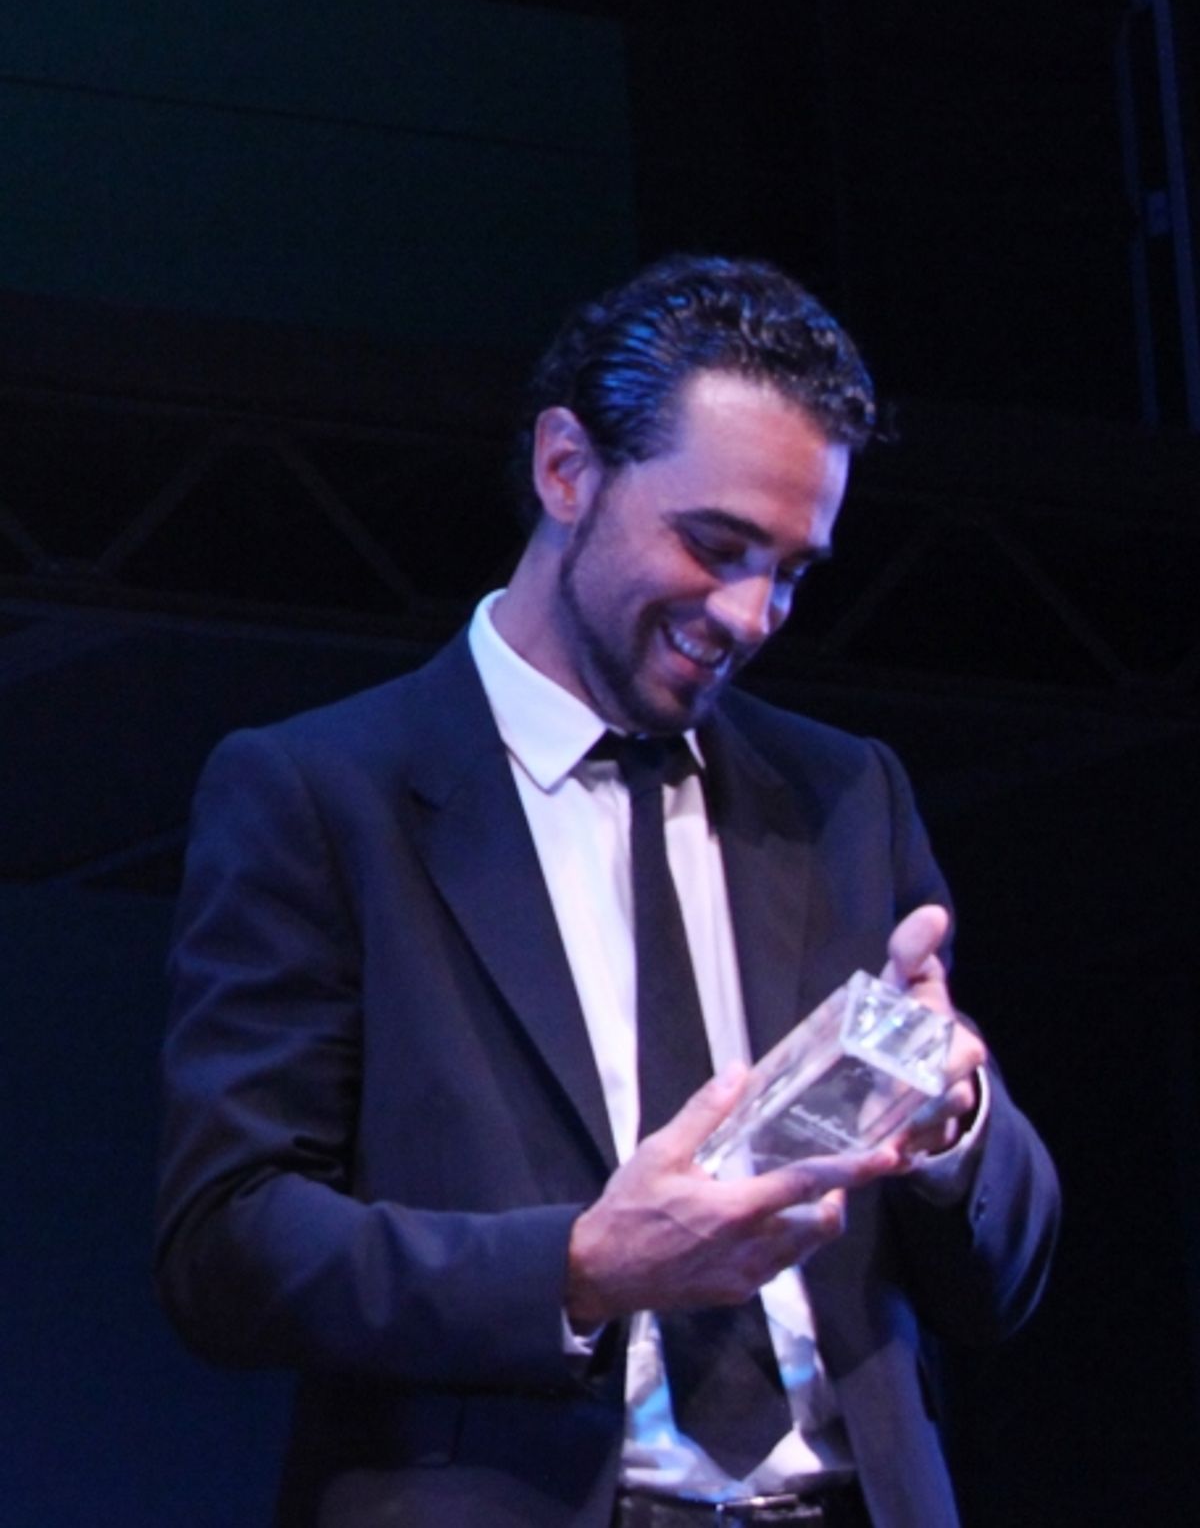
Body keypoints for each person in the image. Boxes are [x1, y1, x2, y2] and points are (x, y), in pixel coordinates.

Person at [154, 255, 1059, 1528]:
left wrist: (958, 1114)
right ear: (566, 467)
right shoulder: (323, 795)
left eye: (793, 570)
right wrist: (577, 1269)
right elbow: (227, 1245)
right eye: (715, 544)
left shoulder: (848, 796)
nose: (751, 613)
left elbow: (1005, 1284)